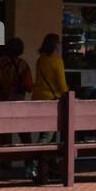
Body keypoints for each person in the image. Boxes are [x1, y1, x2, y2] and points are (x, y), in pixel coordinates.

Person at [30, 34, 67, 183]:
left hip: (39, 98)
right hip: (52, 101)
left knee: (45, 134)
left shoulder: (40, 60)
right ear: (56, 45)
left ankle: (47, 167)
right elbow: (61, 84)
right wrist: (68, 95)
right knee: (47, 136)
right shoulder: (57, 61)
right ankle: (35, 165)